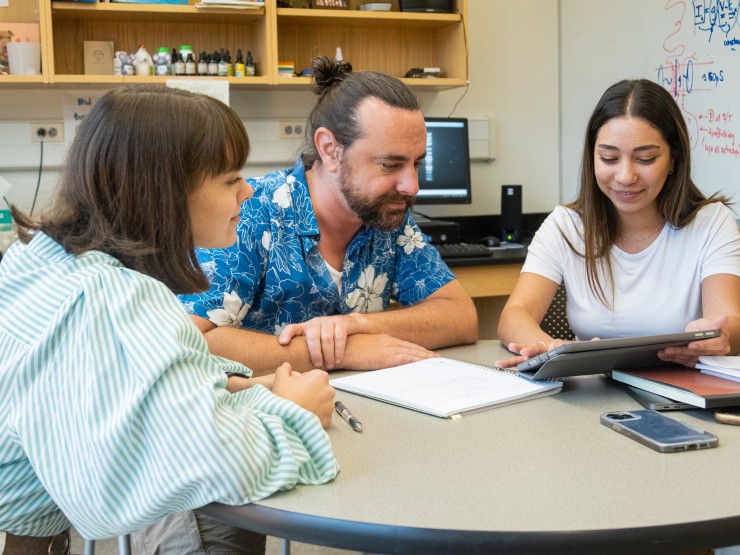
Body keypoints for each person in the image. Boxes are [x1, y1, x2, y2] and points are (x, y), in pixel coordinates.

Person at [0, 85, 338, 554]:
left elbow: (113, 374)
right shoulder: (125, 299)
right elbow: (216, 462)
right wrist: (297, 411)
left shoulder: (39, 259)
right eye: (229, 180)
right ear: (162, 193)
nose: (248, 190)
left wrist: (229, 383)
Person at [180, 56, 478, 375]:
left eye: (416, 164)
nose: (411, 186)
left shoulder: (386, 214)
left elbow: (461, 317)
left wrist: (357, 325)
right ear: (330, 149)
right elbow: (190, 341)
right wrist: (340, 351)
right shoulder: (246, 210)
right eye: (390, 165)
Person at [495, 78, 740, 368]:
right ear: (592, 157)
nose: (625, 176)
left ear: (673, 158)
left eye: (646, 159)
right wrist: (547, 347)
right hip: (592, 390)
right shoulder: (566, 226)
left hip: (684, 387)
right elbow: (515, 315)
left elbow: (731, 323)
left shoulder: (711, 223)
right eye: (609, 158)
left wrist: (720, 336)